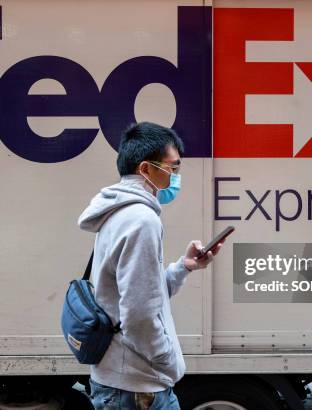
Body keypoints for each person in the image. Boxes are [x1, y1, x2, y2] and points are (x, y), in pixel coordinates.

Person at [77, 122, 224, 409]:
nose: (176, 176)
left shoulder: (118, 211)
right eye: (173, 168)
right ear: (146, 169)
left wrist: (185, 266)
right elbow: (140, 314)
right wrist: (167, 361)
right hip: (137, 387)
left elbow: (137, 293)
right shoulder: (141, 220)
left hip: (124, 380)